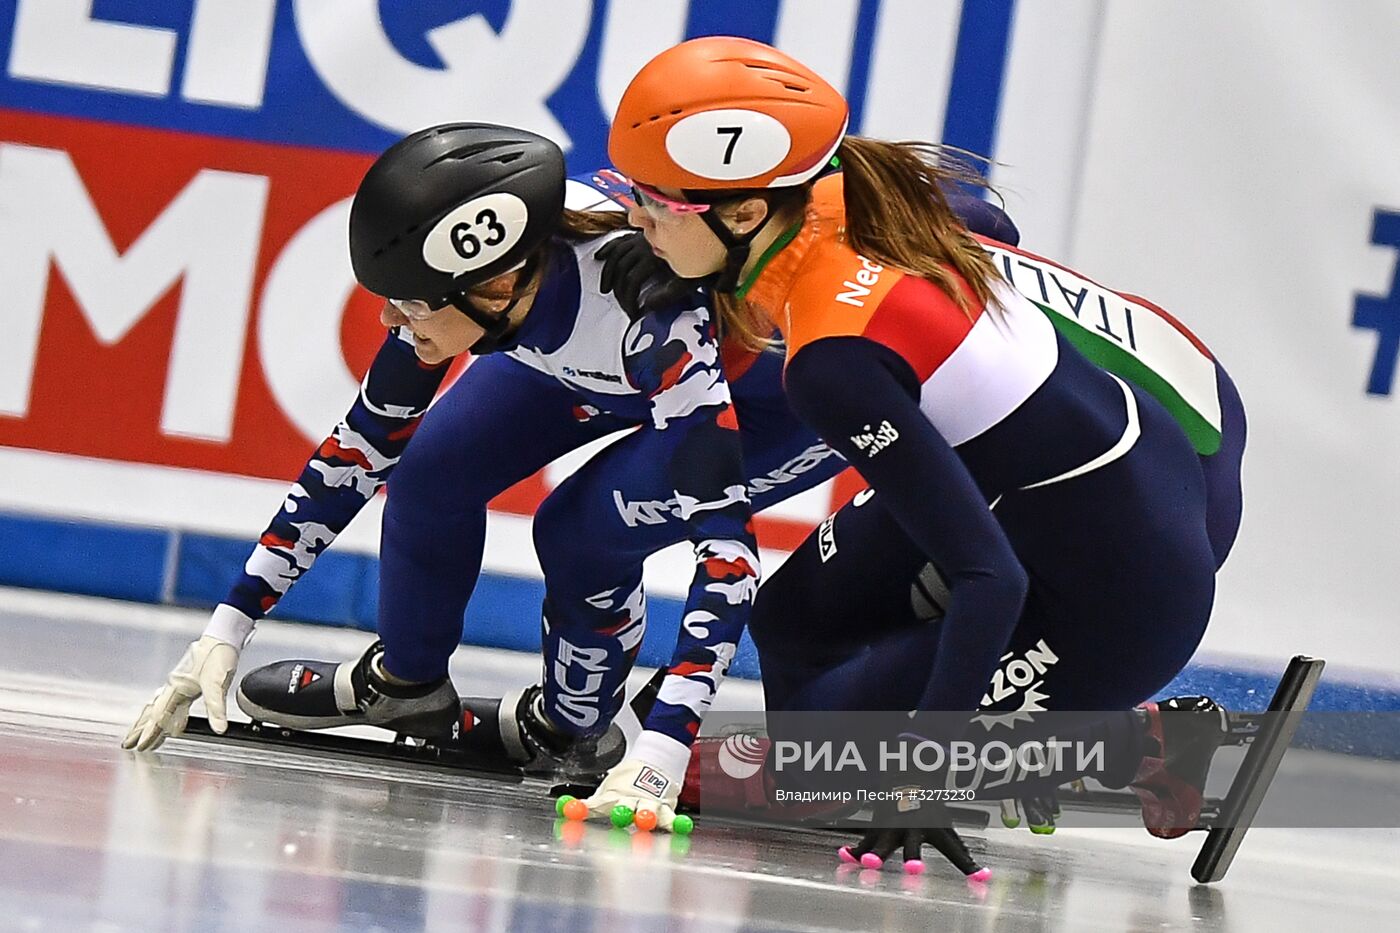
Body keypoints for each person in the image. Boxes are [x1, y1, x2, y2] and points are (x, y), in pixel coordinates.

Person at [122, 121, 1019, 832]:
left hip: (761, 395)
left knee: (583, 530)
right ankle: (408, 682)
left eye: (408, 306)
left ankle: (573, 727)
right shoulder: (481, 290)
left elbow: (728, 557)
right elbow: (355, 453)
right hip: (595, 364)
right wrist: (228, 624)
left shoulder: (656, 324)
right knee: (431, 468)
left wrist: (666, 738)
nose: (394, 323)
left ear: (498, 281)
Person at [604, 36, 1247, 872]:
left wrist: (921, 781)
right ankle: (922, 753)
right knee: (789, 625)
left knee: (824, 768)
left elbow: (992, 577)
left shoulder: (828, 362)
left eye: (655, 205)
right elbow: (987, 227)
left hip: (1125, 582)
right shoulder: (839, 193)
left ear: (745, 212)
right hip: (1088, 464)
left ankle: (1144, 742)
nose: (634, 221)